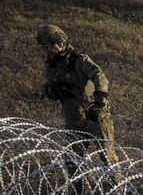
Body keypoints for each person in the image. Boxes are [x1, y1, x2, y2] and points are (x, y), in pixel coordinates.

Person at [36, 24, 118, 165]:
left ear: (60, 43)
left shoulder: (80, 60)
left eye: (48, 47)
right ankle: (76, 188)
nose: (47, 51)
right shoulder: (51, 67)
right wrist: (53, 90)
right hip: (74, 120)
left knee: (108, 160)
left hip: (95, 117)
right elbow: (47, 89)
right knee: (72, 162)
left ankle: (116, 186)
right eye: (44, 48)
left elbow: (99, 76)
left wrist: (100, 100)